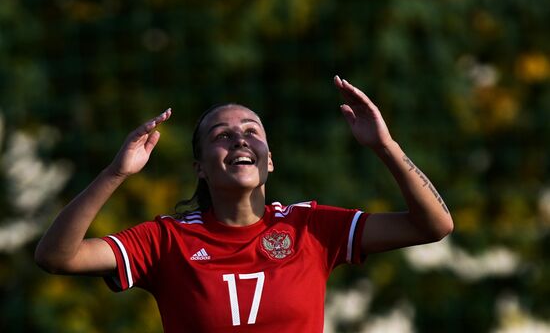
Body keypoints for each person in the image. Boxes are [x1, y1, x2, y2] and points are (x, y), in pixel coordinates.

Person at [35, 76, 453, 332]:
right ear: (201, 168)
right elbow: (57, 257)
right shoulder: (166, 240)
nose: (238, 138)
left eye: (251, 131)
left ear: (269, 159)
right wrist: (115, 173)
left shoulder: (311, 227)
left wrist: (385, 146)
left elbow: (434, 225)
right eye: (221, 134)